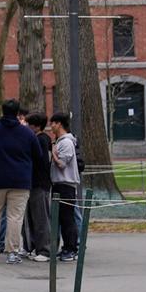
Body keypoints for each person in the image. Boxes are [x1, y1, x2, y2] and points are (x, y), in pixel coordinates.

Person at [0, 99, 41, 265]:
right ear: (18, 113)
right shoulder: (27, 133)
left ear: (2, 111)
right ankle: (12, 252)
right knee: (15, 217)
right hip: (20, 180)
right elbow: (38, 155)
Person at [49, 111, 80, 261]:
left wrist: (53, 154)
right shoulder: (60, 141)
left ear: (59, 124)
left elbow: (62, 164)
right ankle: (66, 247)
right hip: (58, 184)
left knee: (68, 218)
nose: (51, 126)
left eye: (53, 123)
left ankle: (72, 248)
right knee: (62, 218)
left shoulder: (66, 143)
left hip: (66, 185)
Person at [24, 112, 52, 262]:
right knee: (34, 216)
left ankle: (45, 249)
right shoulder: (41, 139)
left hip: (39, 183)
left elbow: (40, 162)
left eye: (30, 125)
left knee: (41, 217)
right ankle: (34, 246)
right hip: (35, 182)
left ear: (36, 126)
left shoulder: (41, 140)